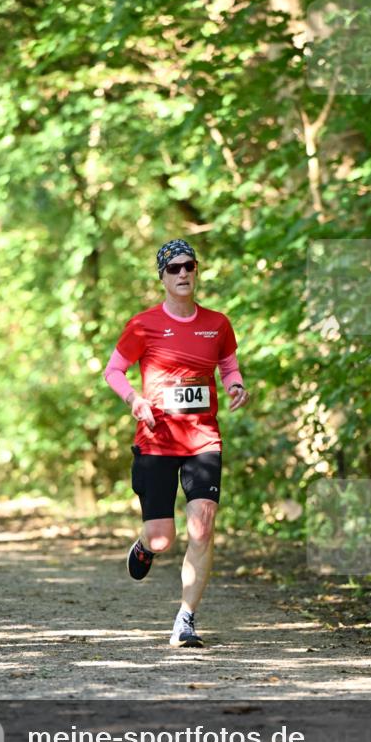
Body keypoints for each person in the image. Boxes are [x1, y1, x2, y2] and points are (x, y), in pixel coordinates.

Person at [104, 239, 250, 647]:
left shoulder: (217, 323)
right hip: (156, 440)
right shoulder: (143, 325)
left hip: (203, 440)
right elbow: (114, 370)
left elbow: (228, 364)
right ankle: (146, 546)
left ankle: (185, 619)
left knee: (202, 529)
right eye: (174, 269)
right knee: (163, 538)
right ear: (163, 277)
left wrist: (235, 385)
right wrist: (134, 399)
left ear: (196, 270)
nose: (183, 273)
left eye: (189, 266)